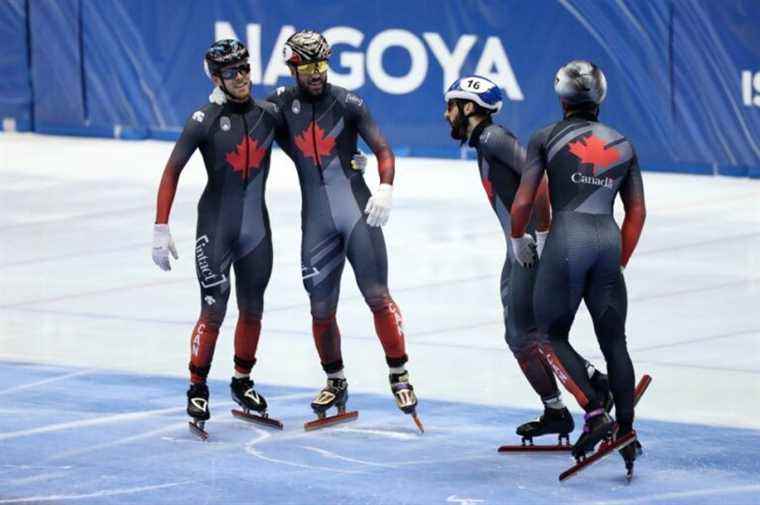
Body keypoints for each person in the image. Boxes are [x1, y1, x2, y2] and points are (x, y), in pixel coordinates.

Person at [444, 75, 609, 443]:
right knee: (520, 335)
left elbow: (541, 181)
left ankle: (595, 407)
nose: (446, 114)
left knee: (533, 333)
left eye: (451, 106)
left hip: (533, 246)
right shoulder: (485, 142)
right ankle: (568, 402)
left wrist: (542, 233)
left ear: (469, 108)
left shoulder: (493, 138)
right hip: (520, 245)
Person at [265, 29, 419, 424]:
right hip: (316, 221)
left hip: (356, 211)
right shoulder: (280, 105)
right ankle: (335, 380)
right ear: (292, 68)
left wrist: (385, 187)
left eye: (322, 65)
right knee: (320, 309)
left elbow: (383, 149)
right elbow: (242, 121)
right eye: (309, 67)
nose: (318, 74)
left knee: (377, 296)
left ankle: (399, 373)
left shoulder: (348, 102)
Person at [510, 60, 646, 462]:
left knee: (549, 335)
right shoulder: (623, 143)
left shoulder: (546, 137)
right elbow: (636, 213)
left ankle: (596, 413)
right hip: (607, 242)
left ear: (561, 95)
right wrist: (618, 260)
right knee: (615, 342)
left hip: (567, 243)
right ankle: (626, 428)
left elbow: (525, 199)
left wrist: (519, 237)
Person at [152, 39, 283, 432]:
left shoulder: (269, 114)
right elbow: (171, 171)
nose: (241, 77)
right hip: (216, 227)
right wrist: (161, 226)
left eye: (245, 68)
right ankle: (197, 387)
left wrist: (351, 165)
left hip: (256, 229)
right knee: (214, 310)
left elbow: (313, 152)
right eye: (231, 72)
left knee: (253, 308)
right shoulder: (202, 119)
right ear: (216, 77)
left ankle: (242, 382)